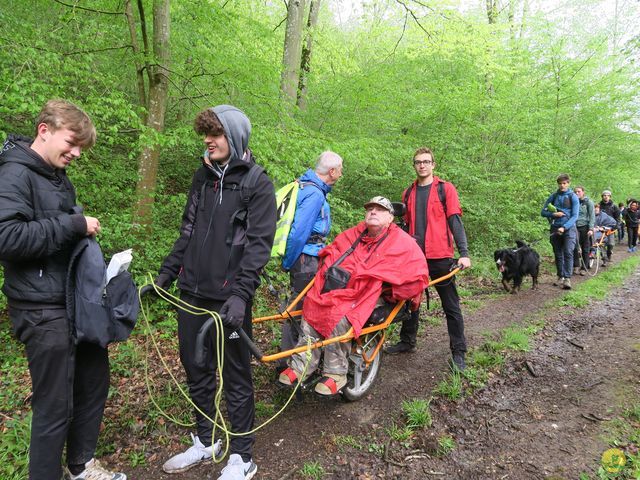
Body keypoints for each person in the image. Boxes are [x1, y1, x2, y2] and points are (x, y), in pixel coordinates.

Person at [0, 100, 126, 480]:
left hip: (72, 302)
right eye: (71, 143)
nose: (75, 153)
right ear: (44, 129)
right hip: (40, 309)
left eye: (80, 149)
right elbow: (7, 237)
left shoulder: (55, 174)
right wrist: (73, 225)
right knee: (54, 405)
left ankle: (81, 466)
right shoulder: (13, 174)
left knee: (93, 380)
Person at [156, 105, 276, 479]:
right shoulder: (202, 178)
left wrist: (241, 294)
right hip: (192, 292)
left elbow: (258, 246)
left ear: (236, 137)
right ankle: (206, 442)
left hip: (230, 300)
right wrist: (166, 274)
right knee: (196, 369)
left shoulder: (257, 183)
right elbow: (188, 230)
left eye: (216, 134)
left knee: (237, 375)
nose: (208, 141)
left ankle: (243, 456)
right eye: (206, 134)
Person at [278, 196, 429, 395]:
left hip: (372, 293)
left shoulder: (402, 242)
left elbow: (416, 273)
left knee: (340, 316)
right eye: (370, 209)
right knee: (312, 305)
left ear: (390, 218)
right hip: (344, 289)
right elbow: (332, 252)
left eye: (380, 210)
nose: (373, 212)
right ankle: (301, 365)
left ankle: (336, 374)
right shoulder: (354, 234)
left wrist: (381, 283)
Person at [385, 147, 471, 372]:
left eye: (426, 161)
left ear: (433, 165)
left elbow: (455, 220)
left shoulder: (445, 189)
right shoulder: (408, 193)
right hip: (415, 257)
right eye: (418, 162)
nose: (422, 165)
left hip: (441, 256)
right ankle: (407, 341)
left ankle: (459, 352)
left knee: (450, 305)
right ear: (414, 165)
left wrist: (464, 253)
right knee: (408, 300)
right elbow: (403, 227)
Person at [277, 151, 343, 371]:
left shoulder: (304, 185)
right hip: (306, 259)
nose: (341, 174)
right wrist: (289, 261)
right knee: (301, 310)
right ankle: (289, 364)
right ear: (332, 171)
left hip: (304, 258)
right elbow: (298, 233)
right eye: (340, 170)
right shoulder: (315, 194)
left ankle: (289, 361)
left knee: (296, 306)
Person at [541, 174, 579, 289]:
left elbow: (575, 216)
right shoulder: (554, 196)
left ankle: (567, 278)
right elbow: (543, 212)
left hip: (569, 229)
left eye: (564, 183)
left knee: (568, 252)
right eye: (560, 183)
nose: (562, 186)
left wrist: (565, 227)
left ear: (568, 183)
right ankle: (560, 276)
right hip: (555, 227)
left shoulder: (573, 196)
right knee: (558, 254)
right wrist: (553, 214)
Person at [572, 186, 595, 275]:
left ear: (583, 192)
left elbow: (592, 216)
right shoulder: (573, 202)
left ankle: (584, 267)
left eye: (579, 191)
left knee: (585, 247)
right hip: (574, 226)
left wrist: (591, 228)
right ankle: (576, 266)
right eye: (575, 192)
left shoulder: (588, 202)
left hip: (585, 226)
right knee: (574, 246)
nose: (577, 193)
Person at [599, 190, 620, 263]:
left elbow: (617, 218)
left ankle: (609, 254)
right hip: (600, 228)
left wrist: (616, 226)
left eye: (607, 195)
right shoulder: (599, 205)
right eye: (604, 195)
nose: (606, 197)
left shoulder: (614, 206)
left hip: (611, 228)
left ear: (610, 197)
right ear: (602, 196)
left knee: (610, 244)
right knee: (601, 244)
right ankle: (604, 259)